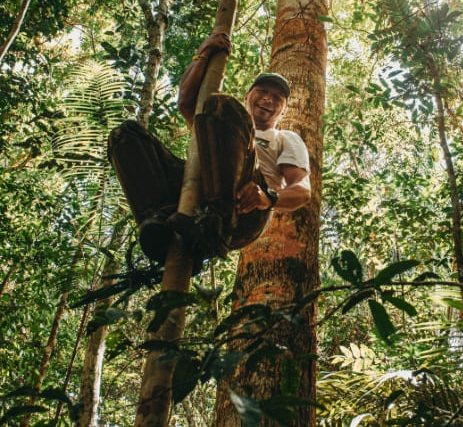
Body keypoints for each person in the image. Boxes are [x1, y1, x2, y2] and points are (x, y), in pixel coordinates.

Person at [108, 33, 311, 272]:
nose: (268, 98)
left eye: (277, 98)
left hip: (243, 212)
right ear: (248, 96)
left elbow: (302, 190)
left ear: (283, 112)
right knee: (125, 135)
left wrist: (268, 198)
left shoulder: (284, 138)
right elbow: (186, 103)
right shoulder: (221, 126)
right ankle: (157, 223)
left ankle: (214, 224)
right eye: (262, 91)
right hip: (193, 195)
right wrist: (203, 53)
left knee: (220, 104)